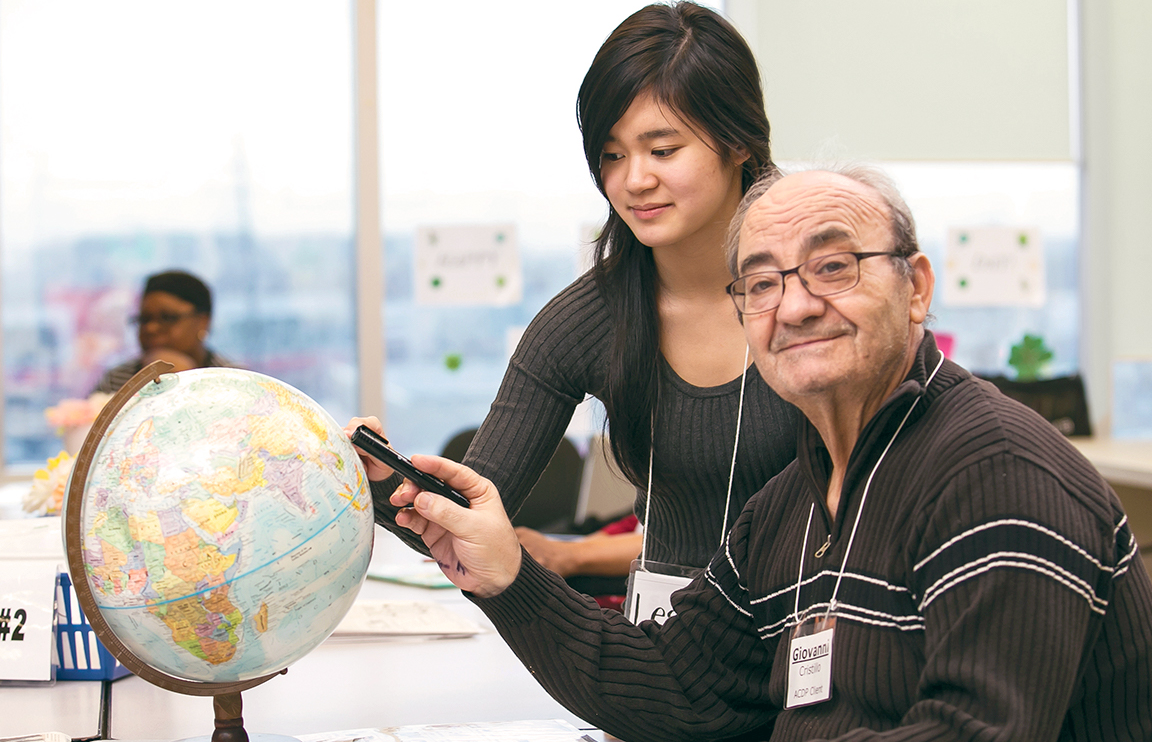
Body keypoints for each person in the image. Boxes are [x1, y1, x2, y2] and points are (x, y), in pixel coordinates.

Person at [384, 165, 1152, 741]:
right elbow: (676, 685)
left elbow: (972, 730)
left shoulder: (995, 476)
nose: (795, 305)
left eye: (833, 266)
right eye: (760, 283)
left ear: (916, 288)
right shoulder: (787, 506)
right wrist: (508, 576)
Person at [351, 1, 798, 582]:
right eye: (612, 155)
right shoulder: (587, 319)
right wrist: (380, 481)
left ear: (738, 142)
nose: (634, 179)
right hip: (670, 648)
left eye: (663, 150)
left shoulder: (819, 293)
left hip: (822, 641)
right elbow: (469, 521)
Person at [94, 270, 236, 393]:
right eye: (144, 319)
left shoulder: (235, 381)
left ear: (203, 322)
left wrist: (186, 380)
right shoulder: (119, 380)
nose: (151, 328)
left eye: (167, 318)